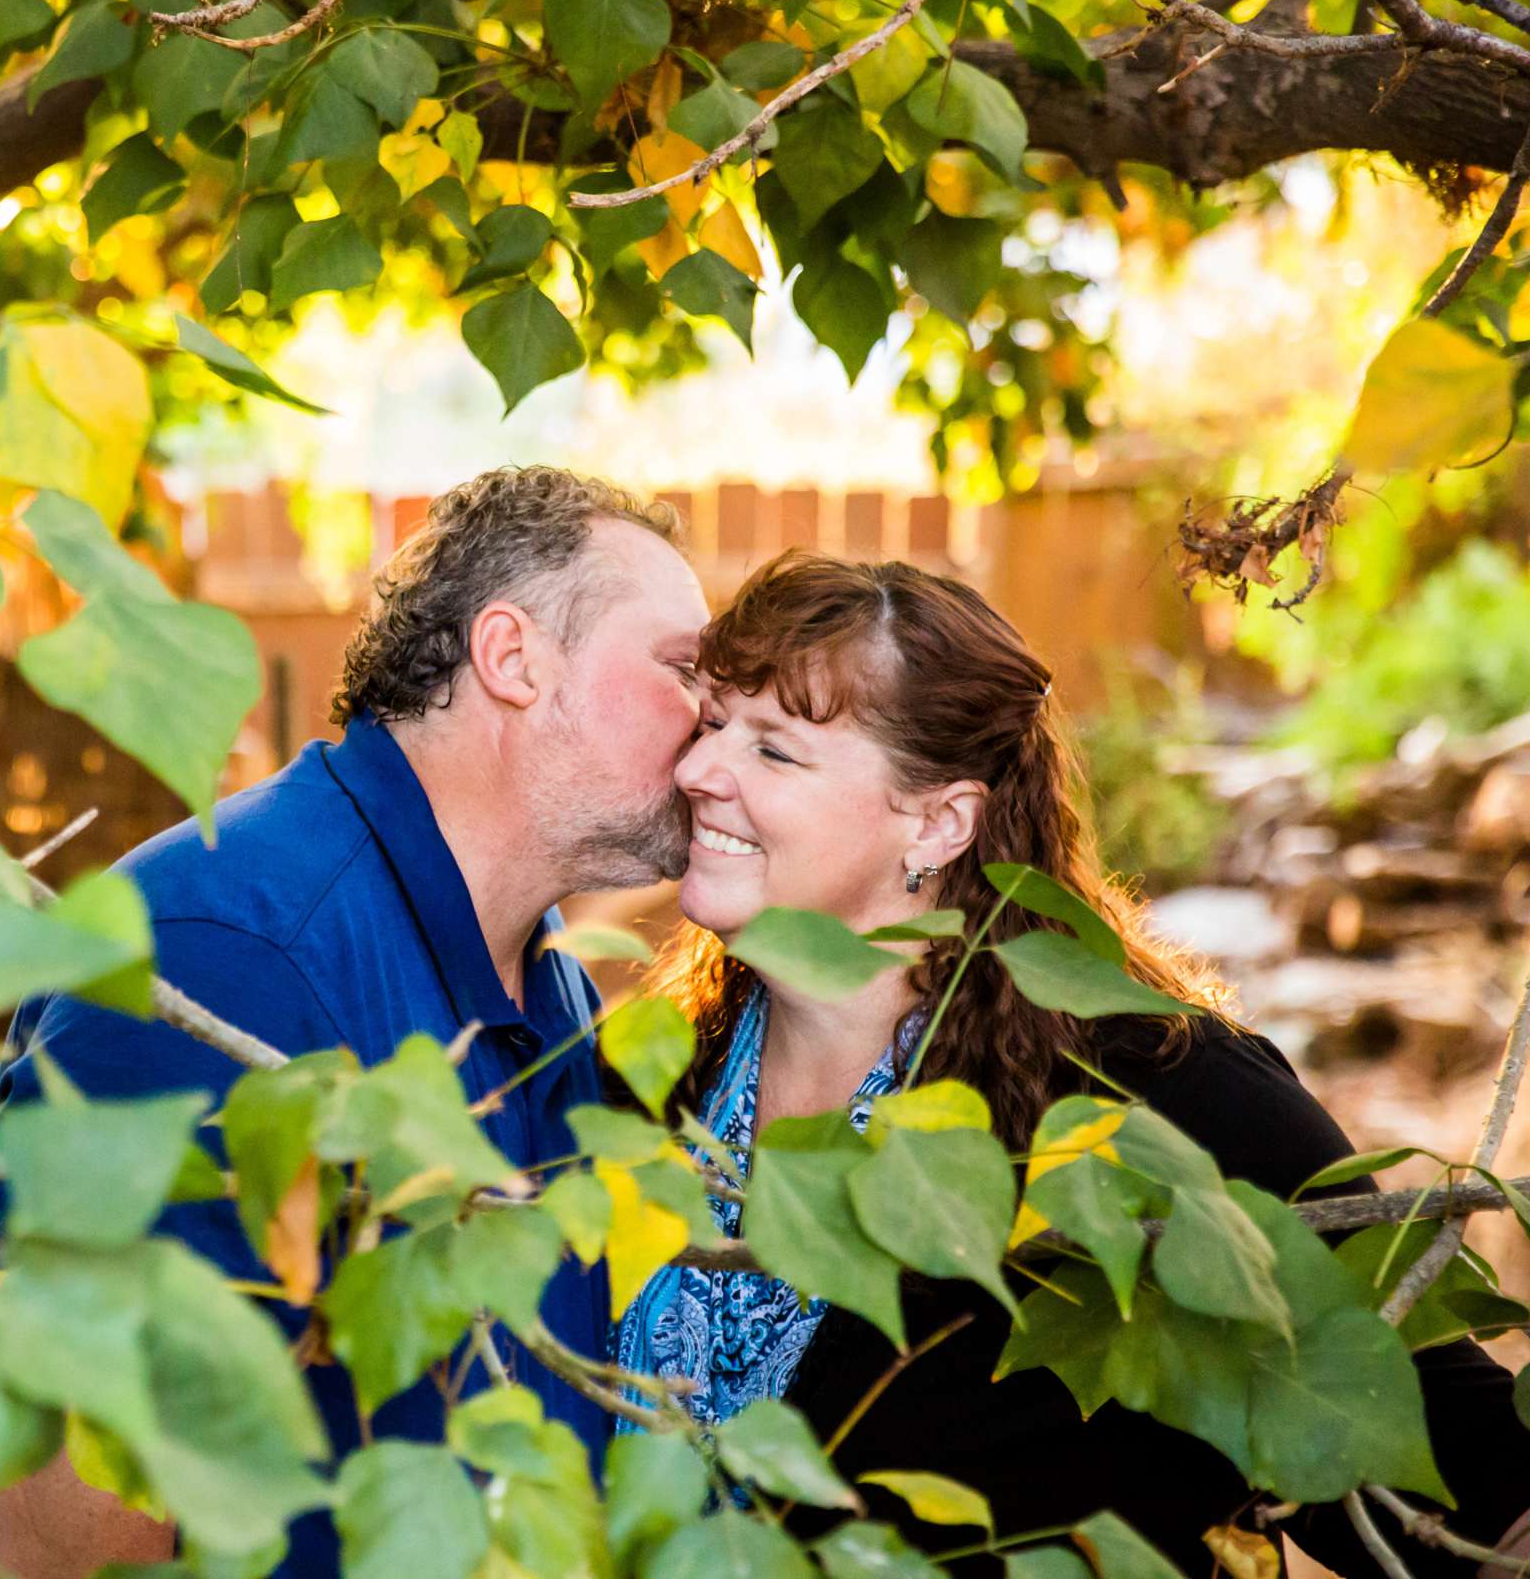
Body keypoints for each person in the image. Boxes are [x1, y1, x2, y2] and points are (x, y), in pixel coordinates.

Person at [617, 550, 1530, 1577]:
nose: (701, 770)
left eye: (775, 751)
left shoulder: (1155, 1102)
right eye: (712, 724)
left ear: (938, 820)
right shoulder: (650, 1078)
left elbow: (1469, 1488)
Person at [0, 466, 716, 1579]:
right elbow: (66, 1526)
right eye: (681, 671)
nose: (714, 722)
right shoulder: (223, 947)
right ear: (513, 659)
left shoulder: (543, 966)